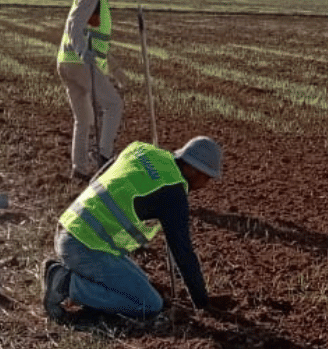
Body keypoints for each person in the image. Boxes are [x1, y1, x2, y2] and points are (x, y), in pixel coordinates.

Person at [42, 136, 224, 322]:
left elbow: (99, 177)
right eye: (207, 177)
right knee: (149, 303)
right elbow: (183, 252)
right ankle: (66, 284)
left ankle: (73, 276)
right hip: (85, 247)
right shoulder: (173, 193)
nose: (206, 184)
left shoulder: (143, 150)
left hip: (70, 226)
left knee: (142, 283)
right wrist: (201, 302)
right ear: (193, 169)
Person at [56, 0, 133, 178]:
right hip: (79, 63)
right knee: (113, 104)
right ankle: (104, 156)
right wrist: (81, 51)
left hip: (68, 62)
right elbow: (74, 25)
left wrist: (117, 71)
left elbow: (97, 41)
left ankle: (79, 169)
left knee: (84, 119)